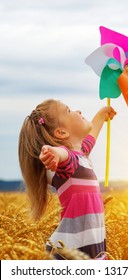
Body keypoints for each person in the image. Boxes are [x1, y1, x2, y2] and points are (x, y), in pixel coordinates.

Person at [18, 98, 116, 260]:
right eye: (69, 110)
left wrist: (101, 116)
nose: (78, 111)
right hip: (71, 251)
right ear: (61, 133)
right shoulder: (69, 162)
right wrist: (53, 153)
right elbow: (63, 154)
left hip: (93, 247)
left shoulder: (81, 154)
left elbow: (91, 137)